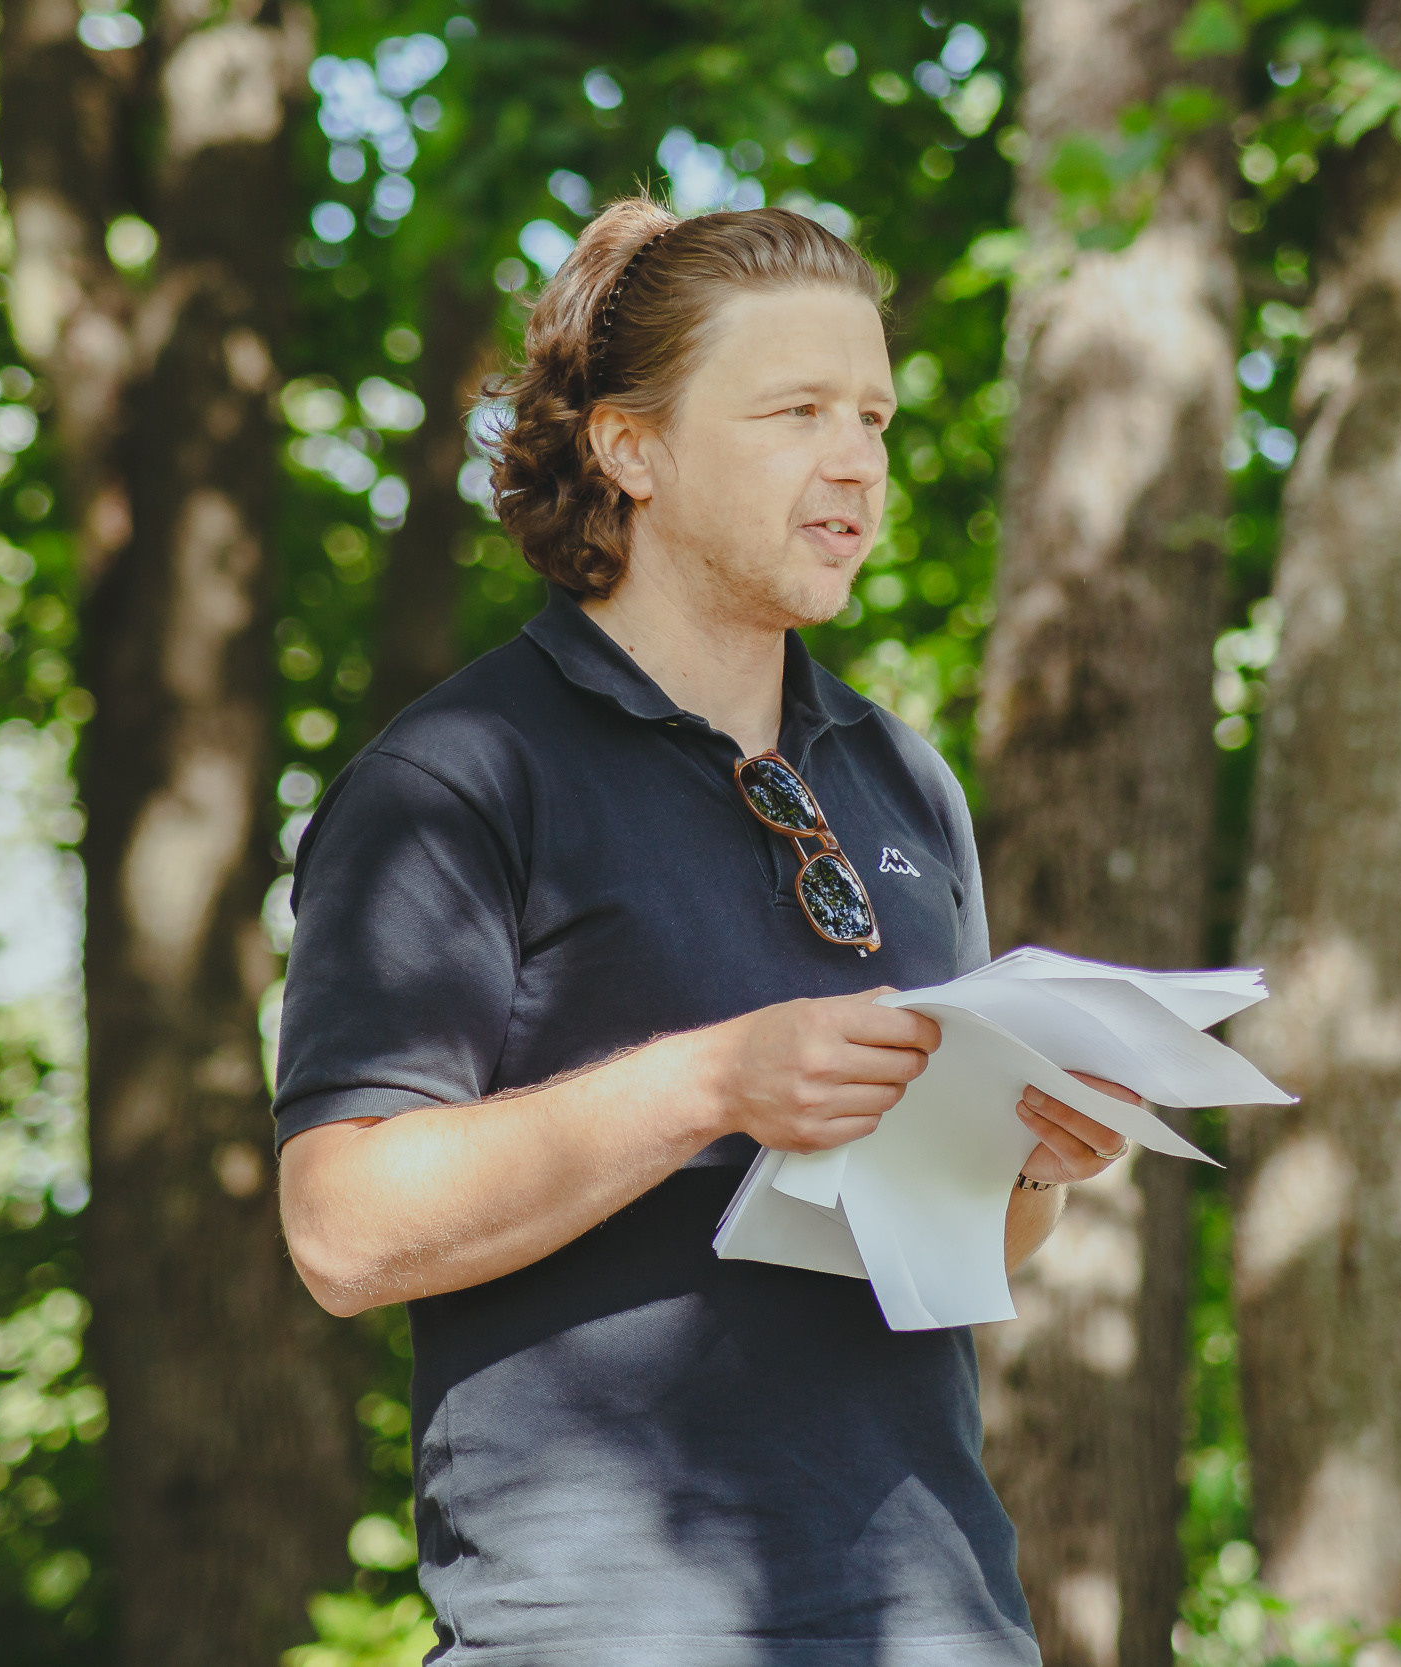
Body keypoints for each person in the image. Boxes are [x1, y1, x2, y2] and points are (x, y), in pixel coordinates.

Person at [274, 198, 1140, 1666]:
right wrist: (713, 1083)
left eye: (872, 414)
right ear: (632, 450)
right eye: (795, 411)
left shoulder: (903, 781)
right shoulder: (457, 778)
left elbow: (973, 1246)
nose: (855, 463)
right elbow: (341, 1231)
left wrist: (1032, 1156)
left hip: (940, 1625)